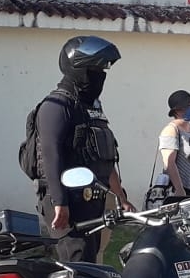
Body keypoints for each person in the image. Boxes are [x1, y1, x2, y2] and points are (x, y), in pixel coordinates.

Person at [36, 35, 133, 263]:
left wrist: (120, 197)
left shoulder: (92, 109)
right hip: (68, 206)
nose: (100, 76)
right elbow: (51, 155)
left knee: (91, 268)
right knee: (76, 270)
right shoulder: (56, 106)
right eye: (93, 69)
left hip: (93, 204)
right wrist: (61, 203)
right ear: (76, 68)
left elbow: (103, 159)